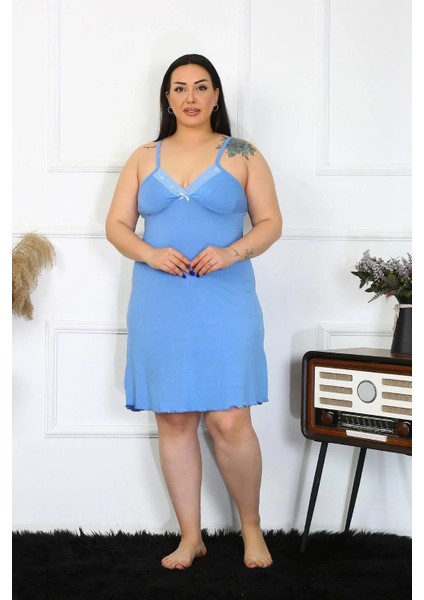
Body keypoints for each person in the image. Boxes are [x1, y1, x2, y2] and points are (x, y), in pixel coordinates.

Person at [105, 54, 283, 570]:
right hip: (160, 303)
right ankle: (190, 538)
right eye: (179, 88)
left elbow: (271, 223)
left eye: (201, 87)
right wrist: (149, 253)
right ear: (167, 98)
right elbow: (115, 226)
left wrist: (230, 253)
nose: (190, 97)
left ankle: (252, 530)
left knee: (230, 419)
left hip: (225, 301)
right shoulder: (143, 157)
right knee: (175, 417)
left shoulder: (244, 153)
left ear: (216, 96)